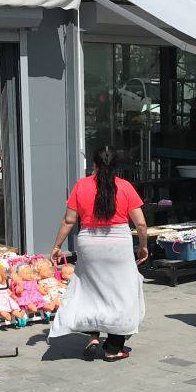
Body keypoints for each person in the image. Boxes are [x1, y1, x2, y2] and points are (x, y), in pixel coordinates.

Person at [48, 146, 148, 361]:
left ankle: (93, 335)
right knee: (121, 293)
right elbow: (140, 223)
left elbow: (69, 220)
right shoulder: (125, 187)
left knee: (89, 289)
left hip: (89, 243)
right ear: (115, 166)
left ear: (93, 165)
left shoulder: (81, 186)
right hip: (118, 245)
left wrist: (57, 246)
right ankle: (113, 349)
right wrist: (143, 246)